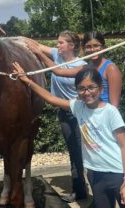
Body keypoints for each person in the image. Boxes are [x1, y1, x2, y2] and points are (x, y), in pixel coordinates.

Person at [13, 63, 125, 208]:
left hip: (118, 173)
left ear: (101, 88)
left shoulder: (110, 112)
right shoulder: (78, 107)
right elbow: (51, 99)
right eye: (81, 88)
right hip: (95, 174)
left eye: (91, 87)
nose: (87, 92)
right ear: (77, 91)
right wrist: (27, 80)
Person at [27, 30, 88, 202]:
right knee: (74, 152)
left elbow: (58, 71)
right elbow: (37, 46)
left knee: (83, 153)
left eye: (61, 42)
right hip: (64, 112)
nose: (57, 45)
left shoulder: (82, 65)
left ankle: (88, 189)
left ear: (71, 46)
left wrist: (39, 54)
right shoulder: (56, 54)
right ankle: (80, 189)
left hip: (79, 114)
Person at [25, 31, 122, 107]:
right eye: (88, 47)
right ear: (84, 49)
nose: (92, 50)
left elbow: (114, 106)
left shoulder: (111, 68)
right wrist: (38, 53)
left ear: (103, 47)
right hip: (87, 114)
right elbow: (59, 71)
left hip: (103, 117)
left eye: (96, 46)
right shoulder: (87, 67)